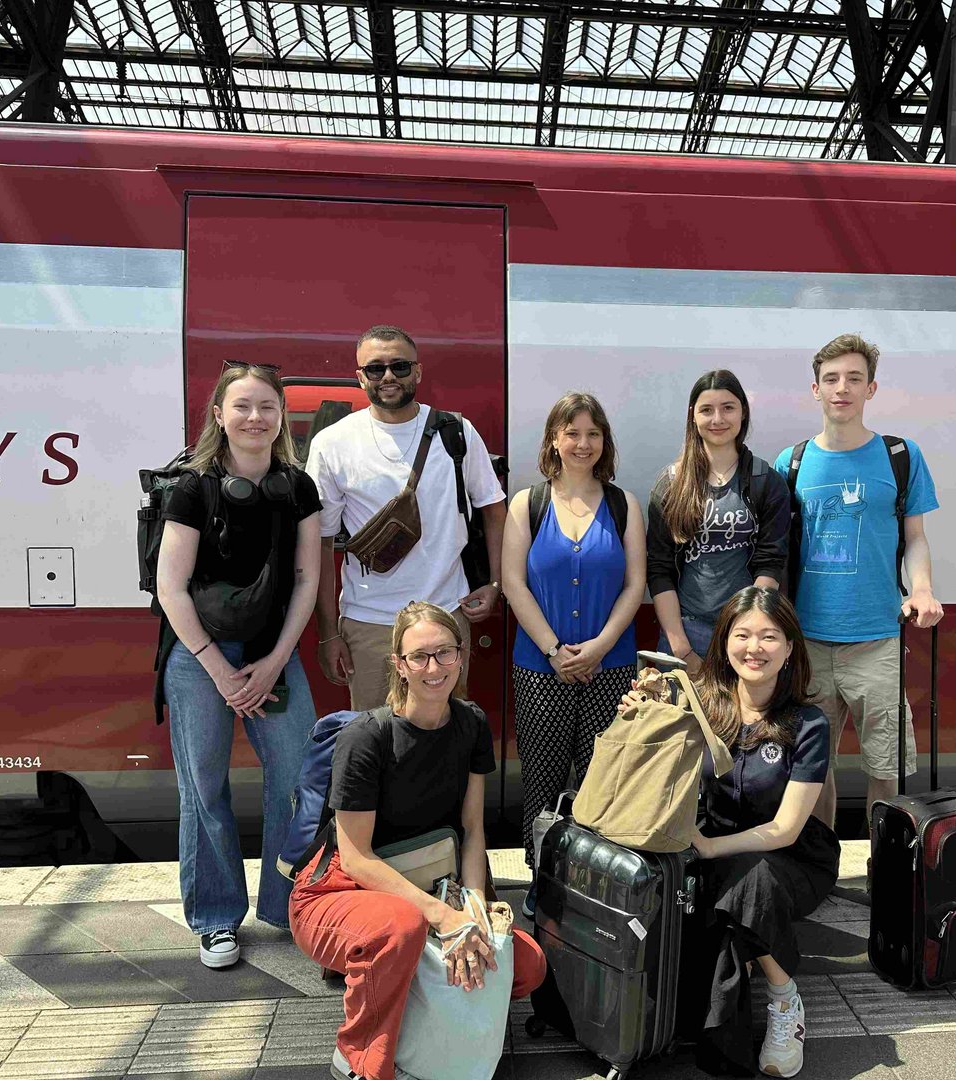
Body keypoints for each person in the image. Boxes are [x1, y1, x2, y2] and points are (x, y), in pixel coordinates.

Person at [288, 602, 548, 1080]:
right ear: (398, 666)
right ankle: (358, 1057)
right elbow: (357, 859)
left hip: (430, 884)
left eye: (444, 653)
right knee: (401, 929)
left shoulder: (470, 723)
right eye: (419, 657)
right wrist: (444, 917)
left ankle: (400, 988)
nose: (434, 668)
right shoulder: (366, 738)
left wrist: (470, 907)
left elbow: (472, 831)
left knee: (525, 963)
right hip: (337, 892)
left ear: (461, 656)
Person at [625, 587, 837, 1078]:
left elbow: (785, 830)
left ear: (789, 649)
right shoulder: (699, 705)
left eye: (769, 637)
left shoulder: (808, 724)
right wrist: (636, 712)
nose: (753, 648)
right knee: (722, 910)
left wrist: (710, 846)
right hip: (713, 853)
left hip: (792, 860)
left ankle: (785, 1002)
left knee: (752, 883)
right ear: (724, 643)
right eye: (742, 635)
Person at [155, 360, 323, 970]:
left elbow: (307, 579)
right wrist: (219, 671)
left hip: (272, 653)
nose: (256, 418)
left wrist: (276, 660)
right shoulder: (191, 489)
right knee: (203, 788)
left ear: (282, 417)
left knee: (299, 778)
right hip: (199, 656)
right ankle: (216, 919)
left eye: (268, 407)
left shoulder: (298, 487)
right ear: (219, 416)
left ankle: (290, 908)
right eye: (243, 406)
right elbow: (170, 588)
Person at [772, 333, 943, 857]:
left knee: (885, 769)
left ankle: (885, 871)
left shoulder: (900, 457)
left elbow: (914, 537)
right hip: (807, 644)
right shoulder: (792, 463)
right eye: (831, 379)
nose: (841, 389)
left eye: (852, 379)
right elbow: (775, 553)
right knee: (811, 771)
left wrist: (922, 590)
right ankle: (819, 866)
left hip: (878, 642)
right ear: (815, 390)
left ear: (871, 388)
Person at [306, 325, 507, 711]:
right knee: (374, 743)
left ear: (418, 372)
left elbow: (494, 510)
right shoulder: (332, 443)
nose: (387, 377)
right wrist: (329, 633)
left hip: (445, 616)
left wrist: (495, 583)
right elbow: (321, 543)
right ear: (359, 377)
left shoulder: (458, 433)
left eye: (399, 367)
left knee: (444, 739)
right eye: (375, 368)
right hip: (368, 623)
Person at [503, 392, 646, 916]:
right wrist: (555, 649)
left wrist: (600, 646)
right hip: (540, 667)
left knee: (602, 779)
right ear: (554, 440)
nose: (582, 443)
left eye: (592, 433)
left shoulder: (623, 504)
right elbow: (513, 583)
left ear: (603, 441)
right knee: (542, 779)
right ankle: (541, 885)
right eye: (572, 433)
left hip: (612, 667)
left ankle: (592, 889)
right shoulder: (528, 503)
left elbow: (636, 585)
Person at [647, 370, 790, 671]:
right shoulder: (670, 483)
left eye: (728, 408)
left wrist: (750, 633)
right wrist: (681, 648)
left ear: (743, 412)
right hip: (685, 632)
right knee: (682, 720)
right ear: (692, 415)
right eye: (707, 410)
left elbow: (770, 563)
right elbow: (659, 568)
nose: (718, 419)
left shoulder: (766, 482)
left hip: (744, 635)